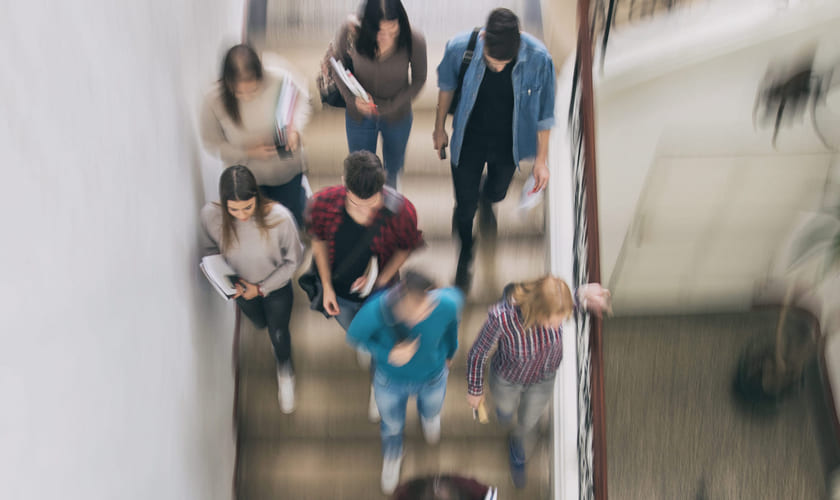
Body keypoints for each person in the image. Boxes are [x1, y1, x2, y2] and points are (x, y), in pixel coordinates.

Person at [433, 8, 556, 292]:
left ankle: (487, 199)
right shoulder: (459, 48)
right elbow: (446, 87)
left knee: (497, 192)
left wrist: (541, 160)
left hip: (508, 144)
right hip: (469, 140)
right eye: (492, 61)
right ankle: (466, 253)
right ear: (484, 38)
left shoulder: (539, 59)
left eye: (505, 62)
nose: (498, 67)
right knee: (464, 207)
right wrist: (439, 129)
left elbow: (545, 113)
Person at [306, 150, 424, 419]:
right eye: (356, 203)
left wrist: (381, 278)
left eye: (371, 204)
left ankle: (377, 383)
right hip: (340, 291)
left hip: (381, 292)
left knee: (381, 339)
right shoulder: (322, 203)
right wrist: (326, 286)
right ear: (343, 183)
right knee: (358, 333)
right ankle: (366, 346)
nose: (365, 212)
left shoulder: (402, 211)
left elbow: (406, 247)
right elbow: (319, 241)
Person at [465, 276, 610, 488]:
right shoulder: (502, 319)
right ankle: (504, 413)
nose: (558, 326)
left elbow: (570, 303)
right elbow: (478, 353)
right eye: (553, 321)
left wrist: (582, 293)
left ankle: (518, 447)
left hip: (543, 378)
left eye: (561, 320)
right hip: (508, 378)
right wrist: (475, 389)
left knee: (528, 421)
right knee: (505, 409)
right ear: (537, 310)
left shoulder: (556, 310)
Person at [347, 271, 463, 494]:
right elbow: (355, 336)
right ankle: (393, 454)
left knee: (432, 408)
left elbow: (451, 328)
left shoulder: (448, 303)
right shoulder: (377, 309)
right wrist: (386, 352)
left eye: (425, 307)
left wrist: (451, 352)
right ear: (400, 295)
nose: (418, 316)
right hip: (390, 381)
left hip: (433, 377)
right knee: (391, 425)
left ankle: (429, 418)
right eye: (411, 308)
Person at [200, 165, 303, 413]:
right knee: (259, 324)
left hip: (275, 287)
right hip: (240, 290)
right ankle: (276, 345)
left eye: (247, 207)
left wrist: (261, 288)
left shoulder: (279, 218)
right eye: (233, 210)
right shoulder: (210, 217)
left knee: (278, 332)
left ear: (257, 197)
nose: (242, 215)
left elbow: (294, 261)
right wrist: (225, 279)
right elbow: (209, 250)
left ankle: (285, 370)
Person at [200, 44, 311, 227]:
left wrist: (295, 129)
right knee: (257, 226)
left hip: (286, 169)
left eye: (253, 90)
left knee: (292, 219)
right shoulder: (213, 98)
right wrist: (247, 152)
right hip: (247, 178)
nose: (246, 97)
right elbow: (211, 142)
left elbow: (301, 100)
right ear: (227, 83)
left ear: (261, 76)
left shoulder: (278, 77)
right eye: (238, 92)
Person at [332, 0, 427, 189]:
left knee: (393, 169)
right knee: (360, 171)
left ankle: (389, 209)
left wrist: (389, 106)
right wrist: (352, 101)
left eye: (393, 30)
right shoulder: (352, 31)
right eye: (379, 31)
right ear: (367, 25)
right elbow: (336, 65)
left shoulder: (413, 39)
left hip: (397, 115)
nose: (387, 37)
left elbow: (419, 80)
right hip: (359, 114)